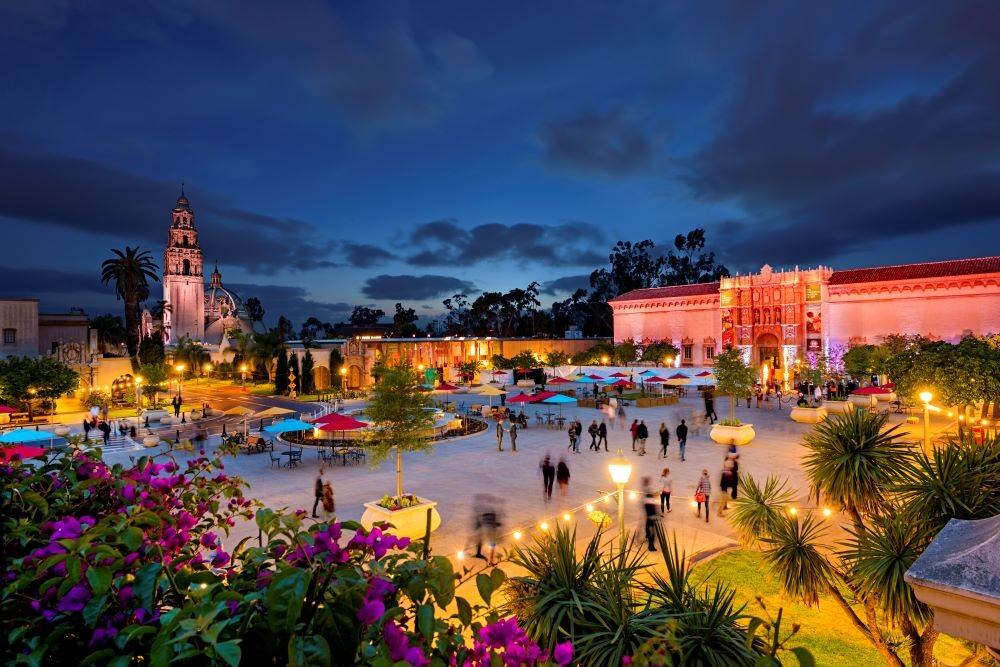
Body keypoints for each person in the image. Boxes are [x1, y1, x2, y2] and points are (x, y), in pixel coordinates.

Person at [642, 477, 660, 551]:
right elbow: (655, 508)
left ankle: (647, 537)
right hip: (651, 516)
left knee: (648, 527)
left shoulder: (646, 498)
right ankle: (651, 545)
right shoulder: (652, 500)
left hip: (648, 515)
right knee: (652, 531)